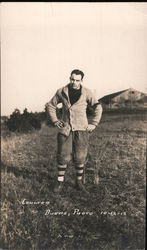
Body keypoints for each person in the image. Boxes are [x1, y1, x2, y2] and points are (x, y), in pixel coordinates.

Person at [45, 69, 102, 194]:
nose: (74, 82)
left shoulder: (87, 92)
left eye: (77, 80)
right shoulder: (61, 91)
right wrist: (55, 120)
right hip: (65, 129)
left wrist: (94, 123)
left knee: (80, 156)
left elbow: (98, 107)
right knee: (63, 156)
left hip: (82, 129)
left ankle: (79, 182)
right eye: (72, 79)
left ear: (81, 80)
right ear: (69, 78)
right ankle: (59, 182)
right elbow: (51, 105)